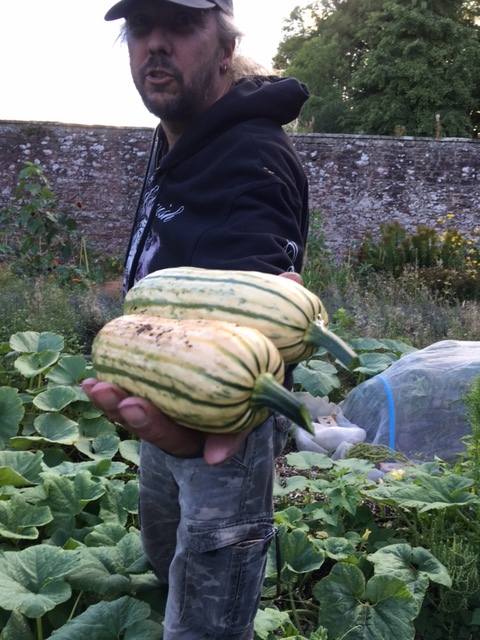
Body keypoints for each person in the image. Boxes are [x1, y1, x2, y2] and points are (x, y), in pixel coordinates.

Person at [82, 0, 310, 637]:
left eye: (180, 25)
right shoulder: (182, 131)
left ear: (224, 44)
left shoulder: (251, 161)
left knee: (203, 628)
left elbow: (257, 293)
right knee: (163, 559)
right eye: (141, 26)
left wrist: (227, 399)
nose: (156, 43)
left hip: (217, 423)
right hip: (161, 392)